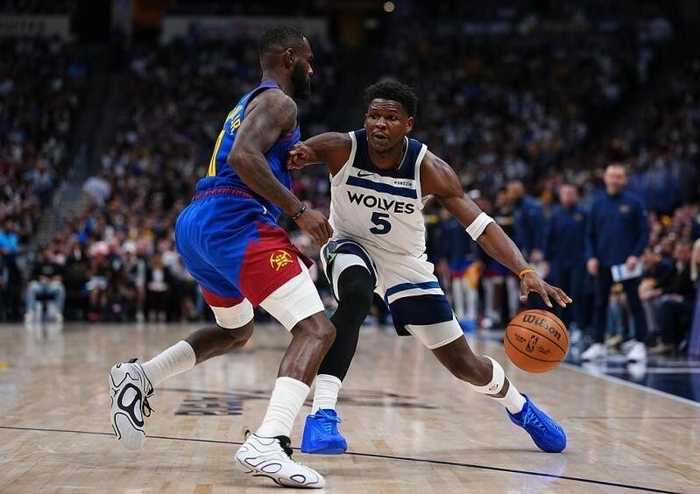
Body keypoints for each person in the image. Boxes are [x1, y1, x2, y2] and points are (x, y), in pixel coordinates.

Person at [288, 80, 570, 456]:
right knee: (355, 295)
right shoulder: (341, 147)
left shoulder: (430, 168)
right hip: (350, 246)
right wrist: (297, 186)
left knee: (465, 365)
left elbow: (481, 226)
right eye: (373, 116)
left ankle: (520, 408)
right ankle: (322, 415)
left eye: (390, 118)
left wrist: (524, 270)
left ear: (408, 124)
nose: (379, 124)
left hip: (405, 263)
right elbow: (291, 157)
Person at [108, 27, 336, 488]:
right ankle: (268, 442)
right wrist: (299, 211)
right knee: (316, 329)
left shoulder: (248, 103)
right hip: (235, 220)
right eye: (307, 59)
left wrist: (284, 164)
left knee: (236, 330)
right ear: (288, 57)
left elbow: (249, 153)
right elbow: (243, 158)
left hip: (199, 223)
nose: (312, 68)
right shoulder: (280, 102)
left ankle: (140, 376)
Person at [583, 163, 649, 362]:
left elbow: (644, 233)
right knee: (600, 303)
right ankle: (598, 343)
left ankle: (640, 343)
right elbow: (590, 234)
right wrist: (591, 257)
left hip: (627, 264)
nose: (615, 180)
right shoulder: (597, 204)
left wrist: (635, 255)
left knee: (634, 302)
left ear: (625, 179)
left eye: (619, 176)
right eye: (612, 176)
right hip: (603, 262)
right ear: (605, 178)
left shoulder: (635, 203)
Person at [544, 184, 588, 332]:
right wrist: (546, 260)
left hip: (579, 261)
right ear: (560, 196)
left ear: (576, 195)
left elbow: (589, 237)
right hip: (559, 261)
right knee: (560, 294)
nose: (568, 196)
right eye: (565, 193)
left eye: (571, 193)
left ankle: (579, 328)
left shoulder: (583, 214)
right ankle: (561, 327)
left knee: (577, 294)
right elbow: (549, 238)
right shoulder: (555, 215)